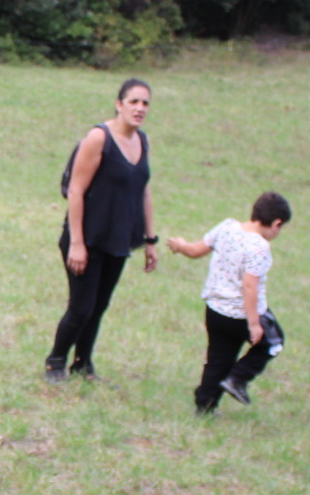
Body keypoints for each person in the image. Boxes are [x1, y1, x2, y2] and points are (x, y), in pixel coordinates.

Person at [45, 78, 158, 383]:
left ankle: (83, 365)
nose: (140, 108)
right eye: (134, 101)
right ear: (119, 104)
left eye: (145, 103)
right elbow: (76, 191)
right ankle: (55, 362)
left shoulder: (142, 141)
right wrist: (77, 243)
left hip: (118, 239)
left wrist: (150, 240)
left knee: (98, 307)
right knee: (81, 308)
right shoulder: (99, 138)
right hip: (87, 238)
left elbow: (144, 191)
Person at [166, 191, 293, 414]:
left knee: (218, 359)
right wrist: (254, 323)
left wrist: (180, 245)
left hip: (215, 310)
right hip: (241, 315)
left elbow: (195, 251)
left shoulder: (227, 227)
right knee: (274, 342)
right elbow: (250, 286)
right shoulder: (259, 247)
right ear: (276, 223)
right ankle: (238, 378)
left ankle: (205, 405)